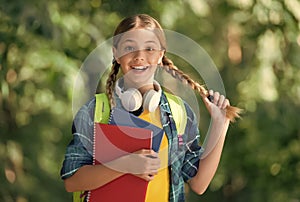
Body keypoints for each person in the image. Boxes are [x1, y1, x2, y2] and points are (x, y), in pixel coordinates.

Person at [60, 14, 241, 202]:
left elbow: (199, 183)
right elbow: (72, 180)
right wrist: (126, 164)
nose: (139, 57)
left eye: (149, 48)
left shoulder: (179, 112)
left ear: (161, 54)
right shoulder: (95, 111)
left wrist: (220, 124)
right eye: (129, 48)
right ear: (116, 53)